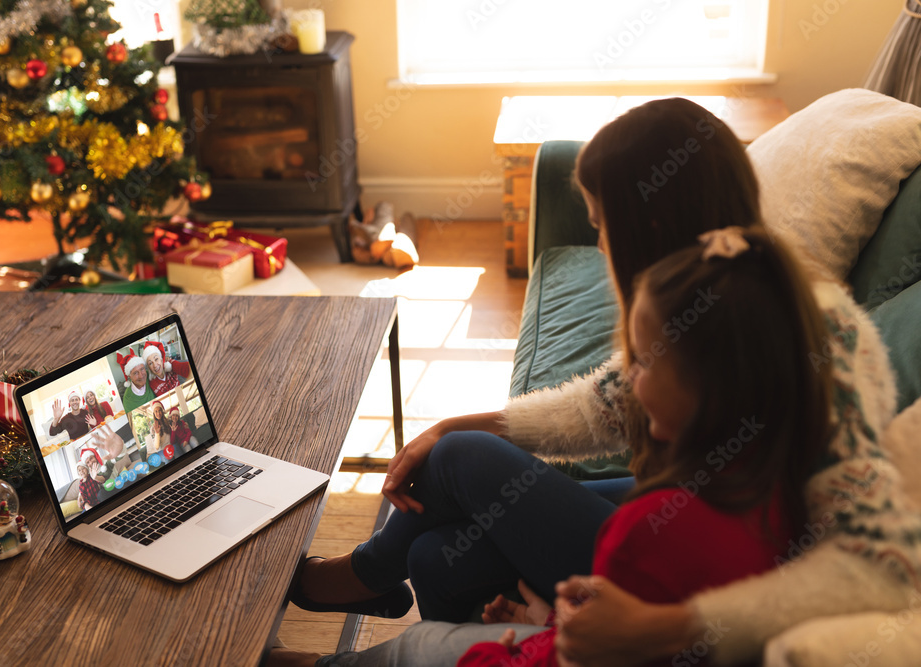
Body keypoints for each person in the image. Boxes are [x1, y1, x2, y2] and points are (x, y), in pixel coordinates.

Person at [282, 97, 921, 665]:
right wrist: (451, 421)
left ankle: (367, 575)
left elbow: (868, 556)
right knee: (437, 554)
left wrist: (664, 626)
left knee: (459, 461)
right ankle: (409, 589)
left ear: (648, 227)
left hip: (716, 574)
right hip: (686, 511)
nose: (597, 239)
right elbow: (603, 409)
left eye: (599, 223)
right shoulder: (713, 294)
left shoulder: (816, 339)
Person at [456, 227, 829, 667]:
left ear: (705, 383)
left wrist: (488, 654)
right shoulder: (784, 497)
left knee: (413, 638)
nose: (629, 381)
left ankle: (370, 575)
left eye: (645, 363)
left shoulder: (646, 529)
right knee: (434, 548)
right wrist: (553, 623)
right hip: (551, 631)